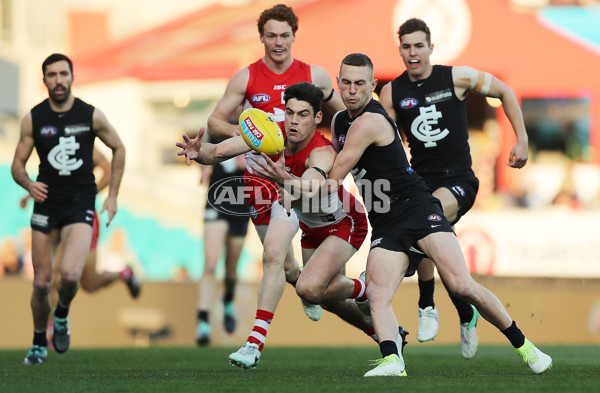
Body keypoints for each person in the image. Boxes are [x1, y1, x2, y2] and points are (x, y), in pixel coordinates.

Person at [325, 53, 551, 377]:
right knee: (377, 293)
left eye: (359, 83)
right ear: (338, 83)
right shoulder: (340, 122)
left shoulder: (371, 120)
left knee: (462, 285)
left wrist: (291, 180)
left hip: (419, 206)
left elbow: (333, 176)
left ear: (372, 85)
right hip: (387, 222)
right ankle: (393, 360)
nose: (351, 90)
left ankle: (526, 348)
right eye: (345, 83)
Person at [178, 82, 407, 368]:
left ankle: (256, 342)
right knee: (320, 294)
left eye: (303, 115)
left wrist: (285, 179)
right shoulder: (270, 136)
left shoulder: (321, 150)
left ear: (317, 118)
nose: (294, 121)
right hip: (309, 227)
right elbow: (217, 153)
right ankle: (380, 322)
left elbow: (313, 183)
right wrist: (198, 151)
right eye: (289, 113)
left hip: (343, 223)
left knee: (308, 288)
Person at [378, 18, 529, 358]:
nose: (413, 52)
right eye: (406, 46)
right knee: (434, 238)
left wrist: (522, 138)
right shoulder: (391, 93)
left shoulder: (456, 77)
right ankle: (465, 313)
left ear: (431, 47)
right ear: (399, 50)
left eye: (419, 45)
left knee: (426, 214)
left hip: (459, 179)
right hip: (419, 180)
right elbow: (384, 140)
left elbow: (504, 90)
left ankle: (426, 303)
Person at [205, 3, 345, 356]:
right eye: (271, 36)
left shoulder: (315, 75)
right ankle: (303, 285)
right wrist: (254, 132)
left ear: (294, 36)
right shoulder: (246, 77)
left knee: (277, 256)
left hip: (307, 174)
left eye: (285, 35)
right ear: (262, 38)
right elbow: (214, 123)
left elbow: (343, 119)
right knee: (282, 265)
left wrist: (348, 156)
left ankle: (255, 342)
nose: (278, 42)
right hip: (263, 180)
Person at [12, 53, 126, 365]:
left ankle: (61, 314)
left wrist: (112, 195)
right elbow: (17, 166)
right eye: (52, 75)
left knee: (72, 276)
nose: (59, 80)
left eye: (64, 74)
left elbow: (118, 148)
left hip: (80, 204)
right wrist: (28, 185)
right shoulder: (33, 119)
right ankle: (37, 343)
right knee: (41, 283)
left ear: (72, 77)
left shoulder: (90, 115)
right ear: (45, 80)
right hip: (46, 205)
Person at [19, 148, 140, 303]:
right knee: (52, 274)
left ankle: (124, 273)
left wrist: (89, 194)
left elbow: (109, 171)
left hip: (83, 216)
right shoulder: (54, 143)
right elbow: (53, 178)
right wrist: (30, 194)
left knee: (89, 284)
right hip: (58, 215)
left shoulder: (86, 145)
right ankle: (53, 324)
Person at [196, 150, 250, 345]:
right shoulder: (216, 126)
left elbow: (243, 164)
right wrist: (203, 164)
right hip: (217, 200)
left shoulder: (252, 126)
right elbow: (204, 150)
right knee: (210, 264)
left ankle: (228, 300)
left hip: (240, 203)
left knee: (231, 271)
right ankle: (203, 322)